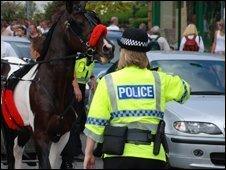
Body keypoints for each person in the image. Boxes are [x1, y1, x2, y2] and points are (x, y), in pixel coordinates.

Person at [83, 28, 191, 169]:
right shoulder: (159, 79)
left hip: (117, 156)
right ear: (144, 54)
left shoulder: (108, 81)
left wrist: (88, 153)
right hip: (152, 157)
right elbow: (185, 91)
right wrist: (163, 75)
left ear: (122, 52)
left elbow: (95, 122)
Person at [60, 56, 96, 169]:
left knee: (78, 122)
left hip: (79, 86)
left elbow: (87, 68)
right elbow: (70, 68)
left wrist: (92, 78)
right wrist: (75, 87)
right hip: (72, 87)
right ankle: (70, 154)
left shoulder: (89, 51)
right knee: (73, 123)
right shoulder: (79, 47)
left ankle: (74, 151)